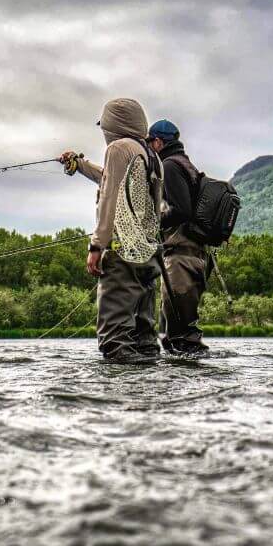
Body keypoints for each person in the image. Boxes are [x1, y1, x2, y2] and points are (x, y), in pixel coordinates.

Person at [59, 98, 163, 364]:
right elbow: (111, 178)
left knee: (115, 342)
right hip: (148, 257)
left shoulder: (118, 148)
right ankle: (152, 395)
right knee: (145, 342)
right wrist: (79, 164)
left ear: (113, 125)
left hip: (121, 255)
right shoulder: (150, 155)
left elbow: (109, 196)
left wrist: (97, 245)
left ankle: (117, 402)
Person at [148, 119, 211, 357]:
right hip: (192, 256)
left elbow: (182, 210)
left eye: (150, 143)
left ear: (158, 142)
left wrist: (152, 223)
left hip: (182, 259)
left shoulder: (170, 166)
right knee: (179, 336)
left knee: (181, 338)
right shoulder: (186, 164)